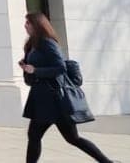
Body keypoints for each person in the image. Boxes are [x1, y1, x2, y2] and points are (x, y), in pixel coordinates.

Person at [21, 12, 113, 163]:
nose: (25, 25)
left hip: (53, 100)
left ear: (37, 25)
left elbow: (60, 67)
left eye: (28, 23)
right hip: (42, 98)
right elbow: (36, 69)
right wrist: (27, 68)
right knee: (41, 136)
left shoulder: (47, 42)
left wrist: (36, 70)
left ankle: (106, 162)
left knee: (68, 138)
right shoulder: (32, 44)